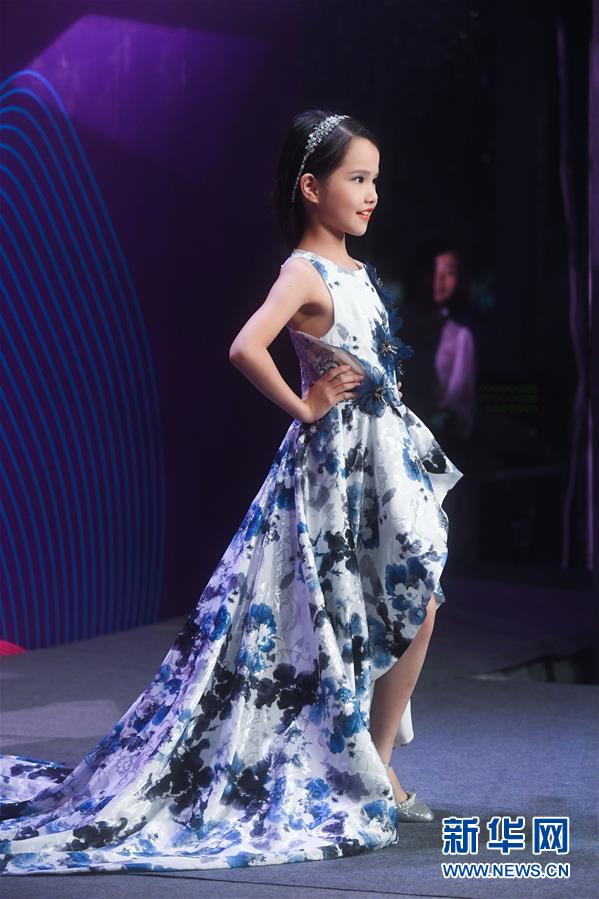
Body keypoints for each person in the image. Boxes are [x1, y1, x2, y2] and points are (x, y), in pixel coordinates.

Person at [0, 110, 463, 875]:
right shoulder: (302, 271)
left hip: (380, 459)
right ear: (310, 186)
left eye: (374, 179)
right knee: (365, 605)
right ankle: (372, 769)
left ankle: (378, 761)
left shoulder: (355, 269)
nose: (370, 193)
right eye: (356, 178)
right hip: (333, 468)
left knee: (414, 594)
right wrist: (305, 405)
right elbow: (246, 345)